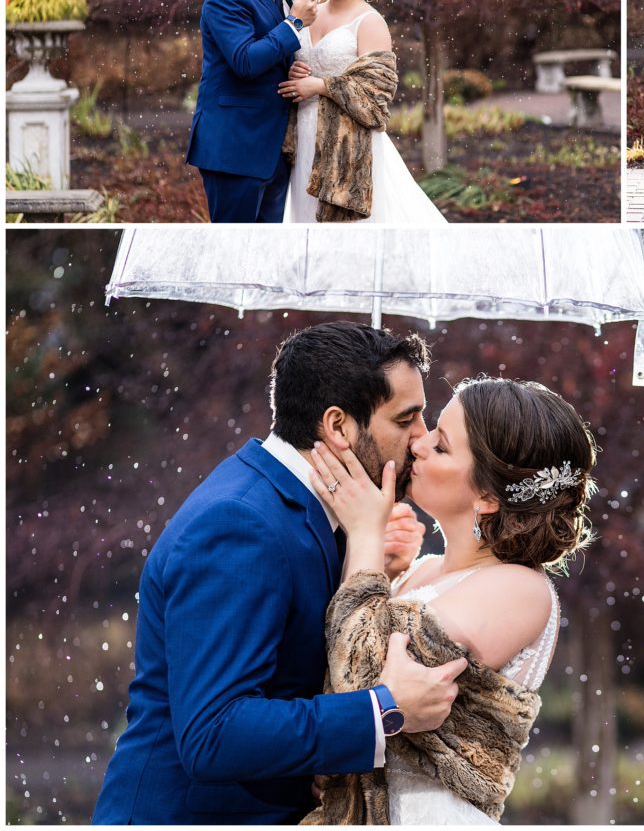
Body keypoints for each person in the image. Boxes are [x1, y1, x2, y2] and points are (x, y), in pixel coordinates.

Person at [93, 322, 468, 824]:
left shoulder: (310, 512)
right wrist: (383, 710)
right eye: (407, 420)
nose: (421, 441)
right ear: (338, 427)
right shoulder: (239, 523)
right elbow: (214, 734)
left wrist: (370, 560)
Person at [302, 376, 595, 824]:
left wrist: (364, 533)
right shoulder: (421, 570)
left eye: (441, 446)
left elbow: (359, 676)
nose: (418, 442)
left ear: (489, 497)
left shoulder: (519, 589)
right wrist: (380, 563)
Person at [278, 0, 447, 223]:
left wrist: (320, 85)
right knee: (306, 226)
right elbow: (292, 58)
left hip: (349, 145)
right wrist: (294, 69)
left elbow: (376, 93)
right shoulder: (306, 12)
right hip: (303, 136)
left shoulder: (369, 22)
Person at [186, 0, 321, 223]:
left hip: (275, 152)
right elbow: (245, 61)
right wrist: (295, 22)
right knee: (234, 252)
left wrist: (293, 70)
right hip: (235, 148)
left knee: (266, 253)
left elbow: (272, 57)